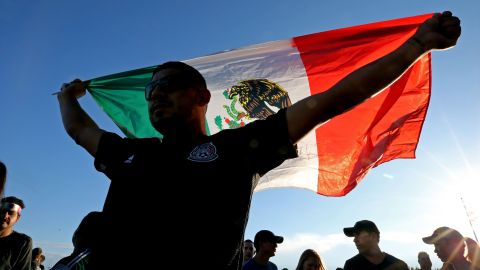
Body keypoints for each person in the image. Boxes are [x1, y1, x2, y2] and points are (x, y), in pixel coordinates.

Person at [57, 11, 461, 269]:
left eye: (169, 85)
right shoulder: (130, 154)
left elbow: (328, 102)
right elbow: (80, 130)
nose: (156, 95)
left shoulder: (235, 149)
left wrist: (416, 46)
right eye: (150, 92)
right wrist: (65, 97)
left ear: (201, 97)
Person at [342, 220, 409, 270]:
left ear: (373, 236)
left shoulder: (400, 266)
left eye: (358, 235)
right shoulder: (351, 265)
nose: (354, 240)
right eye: (354, 236)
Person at [0, 196, 32, 270]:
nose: (5, 216)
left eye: (11, 213)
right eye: (3, 211)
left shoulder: (22, 242)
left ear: (17, 218)